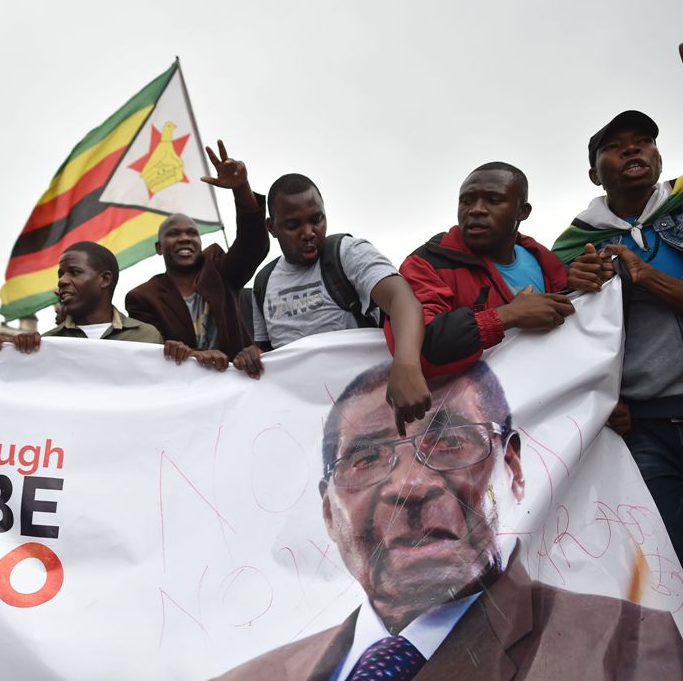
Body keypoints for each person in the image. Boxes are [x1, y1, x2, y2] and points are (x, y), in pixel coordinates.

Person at [217, 361, 683, 680]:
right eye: (367, 456)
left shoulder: (625, 644)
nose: (411, 486)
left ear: (513, 467)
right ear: (328, 512)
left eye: (450, 442)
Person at [554, 110, 683, 558]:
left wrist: (645, 277)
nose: (633, 148)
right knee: (666, 561)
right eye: (616, 145)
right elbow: (562, 346)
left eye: (644, 140)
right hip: (642, 428)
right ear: (595, 174)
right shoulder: (571, 247)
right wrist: (572, 285)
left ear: (659, 157)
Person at [233, 173, 430, 433]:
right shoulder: (264, 281)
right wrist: (251, 356)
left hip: (370, 414)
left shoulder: (347, 253)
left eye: (316, 220)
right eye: (293, 225)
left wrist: (407, 365)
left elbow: (402, 299)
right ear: (272, 227)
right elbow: (268, 354)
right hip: (303, 425)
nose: (308, 233)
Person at [389, 162, 573, 376]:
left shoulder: (545, 262)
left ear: (522, 211)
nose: (476, 210)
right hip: (475, 406)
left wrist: (588, 283)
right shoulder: (427, 264)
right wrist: (508, 315)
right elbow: (421, 348)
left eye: (494, 200)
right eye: (466, 201)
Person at [126, 141, 269, 370]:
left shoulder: (219, 269)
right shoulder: (142, 298)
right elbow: (151, 353)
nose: (185, 238)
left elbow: (253, 245)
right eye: (174, 234)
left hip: (239, 384)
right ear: (159, 248)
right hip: (183, 393)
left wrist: (241, 188)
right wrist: (193, 356)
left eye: (192, 234)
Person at [0, 241, 162, 355]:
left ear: (105, 279)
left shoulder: (147, 338)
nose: (62, 281)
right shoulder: (46, 345)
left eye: (75, 272)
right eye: (60, 274)